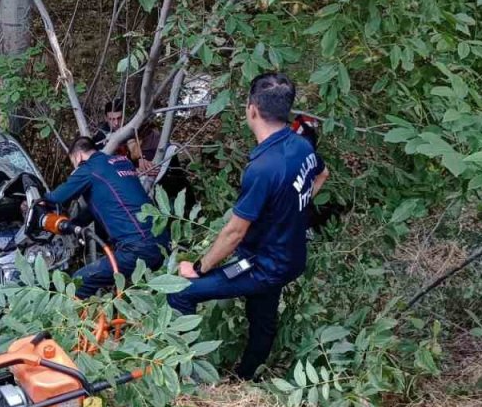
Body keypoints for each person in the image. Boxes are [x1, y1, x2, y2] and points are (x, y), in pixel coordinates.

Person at [166, 72, 329, 380]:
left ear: (252, 108)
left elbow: (234, 232)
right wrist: (291, 211)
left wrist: (199, 267)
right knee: (262, 315)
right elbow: (322, 175)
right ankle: (245, 377)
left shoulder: (263, 169)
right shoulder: (300, 145)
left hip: (263, 263)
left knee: (182, 293)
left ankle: (181, 376)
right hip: (290, 256)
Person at [39, 136, 169, 298]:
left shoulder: (89, 169)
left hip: (138, 248)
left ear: (78, 156)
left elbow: (55, 198)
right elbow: (106, 203)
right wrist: (73, 225)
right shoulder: (122, 162)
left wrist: (36, 203)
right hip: (162, 240)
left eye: (73, 161)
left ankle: (84, 323)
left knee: (79, 281)